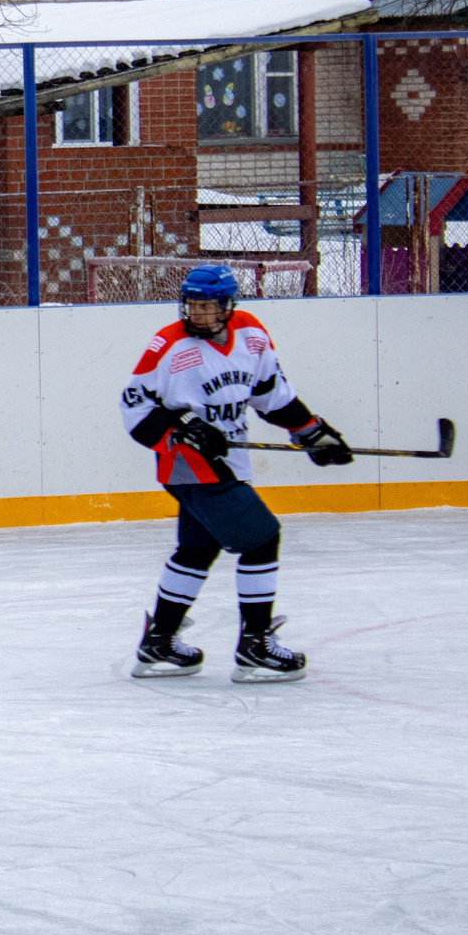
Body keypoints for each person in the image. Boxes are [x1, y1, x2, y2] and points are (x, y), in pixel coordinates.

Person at [118, 264, 353, 683]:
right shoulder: (168, 346)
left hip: (227, 464)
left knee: (196, 551)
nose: (198, 314)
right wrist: (183, 428)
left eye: (208, 306)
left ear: (229, 305)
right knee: (262, 538)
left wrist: (313, 433)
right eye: (192, 305)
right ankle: (256, 646)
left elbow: (271, 395)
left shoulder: (251, 335)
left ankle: (159, 642)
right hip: (186, 464)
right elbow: (134, 410)